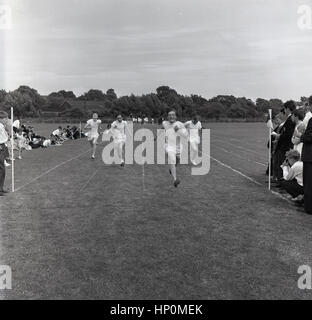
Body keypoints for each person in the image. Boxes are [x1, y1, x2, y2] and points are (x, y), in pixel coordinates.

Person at [158, 110, 188, 187]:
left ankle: (172, 169)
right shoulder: (165, 123)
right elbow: (163, 128)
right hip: (169, 146)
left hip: (178, 146)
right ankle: (175, 179)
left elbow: (185, 135)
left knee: (177, 160)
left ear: (175, 116)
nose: (171, 116)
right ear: (167, 117)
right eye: (169, 115)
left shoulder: (180, 124)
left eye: (173, 115)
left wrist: (178, 130)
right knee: (172, 160)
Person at [272, 100, 296, 183]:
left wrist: (278, 136)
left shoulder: (290, 119)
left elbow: (288, 134)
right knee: (281, 164)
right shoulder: (289, 118)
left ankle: (282, 183)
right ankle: (280, 182)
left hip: (285, 146)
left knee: (283, 164)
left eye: (285, 108)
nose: (284, 110)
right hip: (284, 145)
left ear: (288, 109)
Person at [301, 117, 312, 214]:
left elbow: (308, 137)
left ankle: (309, 207)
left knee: (308, 183)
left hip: (310, 157)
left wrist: (302, 135)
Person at [0, 111, 10, 196]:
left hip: (3, 146)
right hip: (0, 147)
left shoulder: (2, 126)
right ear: (1, 119)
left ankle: (1, 188)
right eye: (6, 118)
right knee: (1, 169)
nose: (7, 120)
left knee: (2, 169)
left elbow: (5, 137)